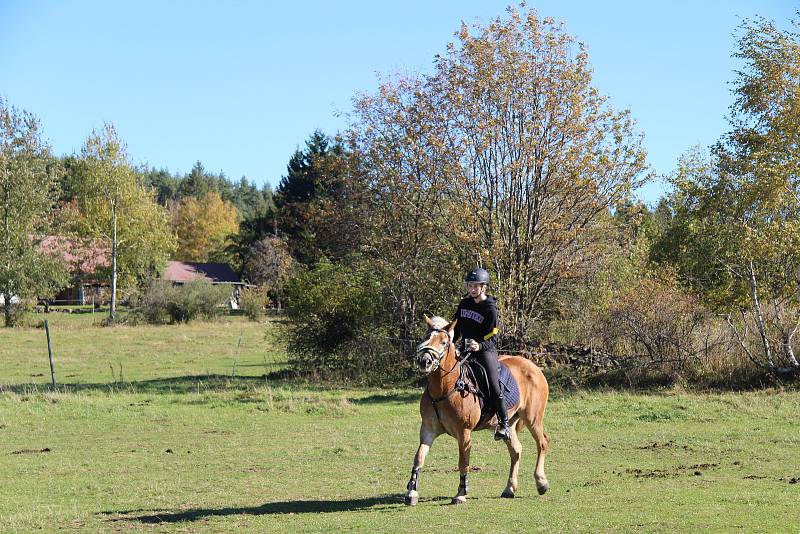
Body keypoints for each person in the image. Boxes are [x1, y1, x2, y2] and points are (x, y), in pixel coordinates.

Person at [452, 267, 510, 441]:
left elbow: (494, 338)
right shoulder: (464, 304)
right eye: (470, 285)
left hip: (485, 351)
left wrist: (480, 345)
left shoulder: (490, 309)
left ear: (483, 287)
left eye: (476, 286)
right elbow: (456, 328)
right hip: (465, 349)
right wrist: (451, 343)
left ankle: (504, 423)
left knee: (493, 383)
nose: (472, 289)